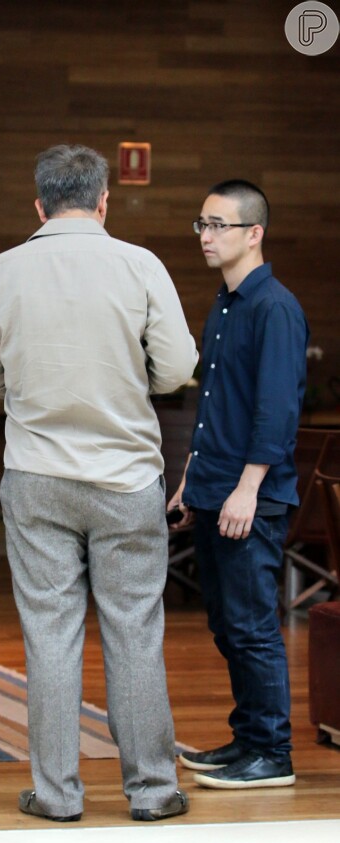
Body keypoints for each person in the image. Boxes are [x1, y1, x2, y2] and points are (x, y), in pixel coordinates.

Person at [0, 144, 198, 822]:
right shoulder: (140, 265)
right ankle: (153, 789)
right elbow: (177, 368)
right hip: (126, 476)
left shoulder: (2, 270)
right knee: (134, 631)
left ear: (38, 206)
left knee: (49, 632)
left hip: (37, 476)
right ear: (104, 201)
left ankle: (58, 793)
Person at [169, 180, 309, 790]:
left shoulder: (274, 307)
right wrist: (187, 482)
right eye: (201, 224)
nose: (206, 236)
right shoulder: (224, 304)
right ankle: (248, 739)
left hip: (250, 495)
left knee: (252, 626)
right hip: (215, 487)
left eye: (218, 225)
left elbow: (276, 412)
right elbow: (214, 409)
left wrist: (248, 488)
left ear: (254, 233)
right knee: (227, 625)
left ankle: (272, 754)